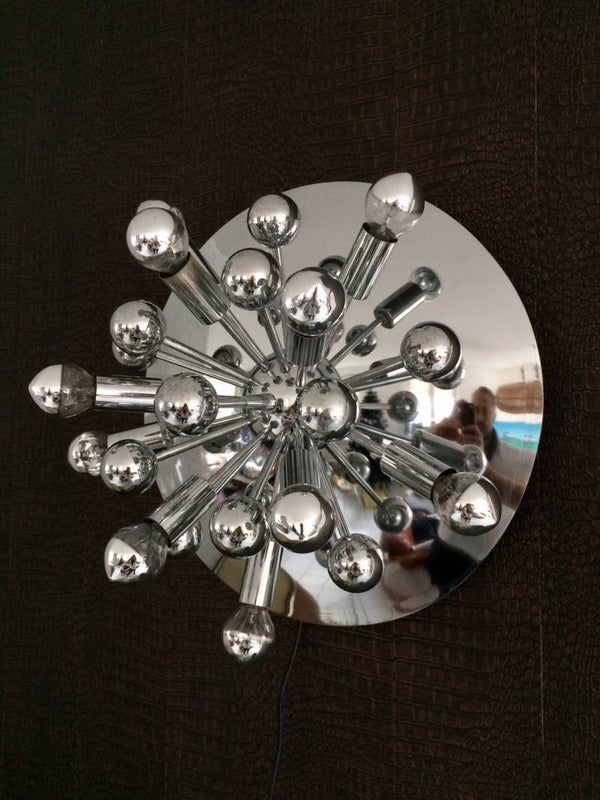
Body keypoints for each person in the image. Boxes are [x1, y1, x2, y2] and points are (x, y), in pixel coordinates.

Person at [433, 386, 536, 508]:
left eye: (486, 411)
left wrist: (480, 467)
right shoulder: (451, 448)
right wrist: (434, 437)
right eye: (475, 410)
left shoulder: (520, 458)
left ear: (494, 416)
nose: (480, 418)